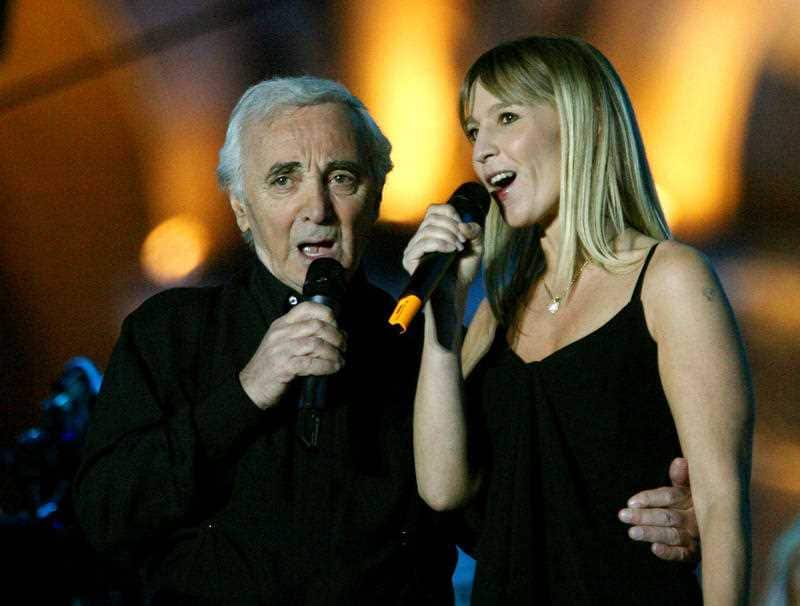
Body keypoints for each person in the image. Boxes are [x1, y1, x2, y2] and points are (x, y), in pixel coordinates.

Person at [72, 75, 701, 605]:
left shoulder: (426, 345)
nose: (317, 209)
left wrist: (664, 518)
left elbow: (508, 519)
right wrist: (247, 392)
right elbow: (103, 518)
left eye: (341, 177)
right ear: (241, 208)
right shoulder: (171, 333)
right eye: (283, 179)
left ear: (374, 196)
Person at [405, 36, 753, 604]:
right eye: (473, 131)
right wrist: (443, 316)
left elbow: (720, 505)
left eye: (506, 118)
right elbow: (442, 489)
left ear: (580, 121)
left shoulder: (669, 280)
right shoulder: (495, 312)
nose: (482, 151)